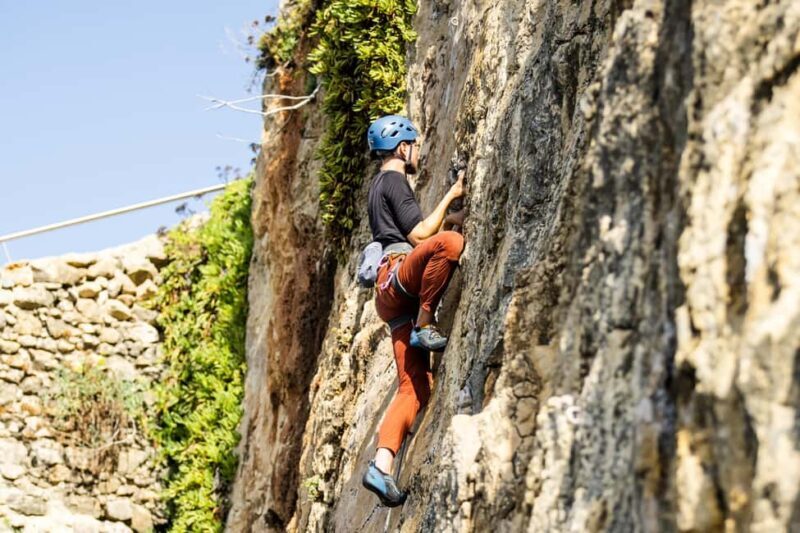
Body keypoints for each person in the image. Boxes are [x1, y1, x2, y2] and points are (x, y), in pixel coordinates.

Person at [360, 115, 465, 507]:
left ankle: (381, 466)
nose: (417, 152)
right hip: (398, 278)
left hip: (390, 294)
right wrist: (451, 196)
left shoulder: (378, 187)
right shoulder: (394, 180)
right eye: (415, 145)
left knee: (415, 388)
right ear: (402, 148)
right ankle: (425, 323)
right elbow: (421, 236)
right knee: (450, 244)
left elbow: (406, 236)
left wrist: (446, 217)